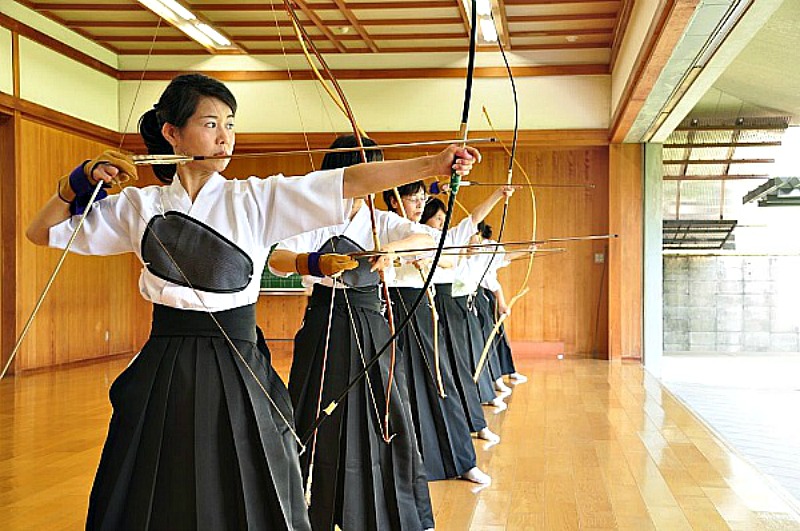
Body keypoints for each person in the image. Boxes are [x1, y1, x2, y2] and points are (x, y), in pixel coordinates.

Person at [25, 73, 480, 530]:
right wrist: (78, 180)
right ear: (172, 133)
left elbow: (348, 181)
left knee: (254, 476)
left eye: (231, 124)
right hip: (166, 362)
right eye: (210, 124)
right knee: (152, 479)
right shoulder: (138, 205)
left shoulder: (256, 198)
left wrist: (432, 164)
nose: (225, 137)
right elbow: (42, 232)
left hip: (238, 361)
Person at [269, 135, 436, 530]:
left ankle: (394, 508)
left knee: (386, 412)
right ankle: (310, 506)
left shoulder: (383, 222)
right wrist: (314, 263)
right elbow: (276, 258)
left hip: (371, 325)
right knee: (313, 412)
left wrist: (396, 249)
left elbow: (426, 238)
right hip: (324, 324)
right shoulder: (313, 219)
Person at [383, 183, 491, 485]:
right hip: (390, 309)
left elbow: (449, 259)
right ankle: (401, 466)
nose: (420, 204)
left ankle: (462, 460)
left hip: (421, 308)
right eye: (412, 198)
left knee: (441, 383)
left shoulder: (426, 233)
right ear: (393, 201)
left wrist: (427, 258)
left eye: (423, 198)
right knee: (395, 388)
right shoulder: (382, 225)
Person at [419, 186, 513, 444]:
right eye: (437, 217)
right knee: (439, 373)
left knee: (459, 368)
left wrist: (497, 194)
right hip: (427, 304)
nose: (441, 222)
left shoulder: (449, 238)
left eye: (442, 218)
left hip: (451, 303)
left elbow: (472, 218)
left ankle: (476, 424)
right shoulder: (413, 235)